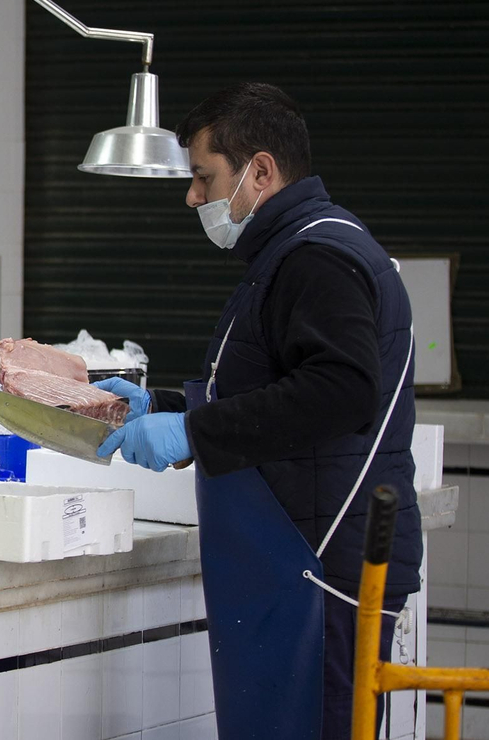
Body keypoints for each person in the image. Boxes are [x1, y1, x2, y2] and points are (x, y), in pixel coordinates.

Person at [94, 83, 421, 740]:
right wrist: (164, 405)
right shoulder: (290, 251)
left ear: (261, 171)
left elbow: (340, 390)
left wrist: (193, 430)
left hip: (321, 566)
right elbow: (273, 385)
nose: (193, 197)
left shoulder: (318, 257)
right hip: (295, 557)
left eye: (203, 177)